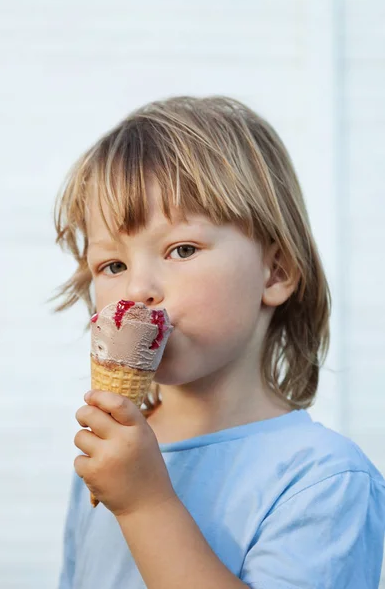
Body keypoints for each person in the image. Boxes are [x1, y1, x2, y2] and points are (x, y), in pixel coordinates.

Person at [51, 96, 385, 589]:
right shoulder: (110, 456)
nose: (137, 288)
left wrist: (146, 505)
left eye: (181, 249)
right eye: (113, 265)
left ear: (275, 272)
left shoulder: (324, 481)